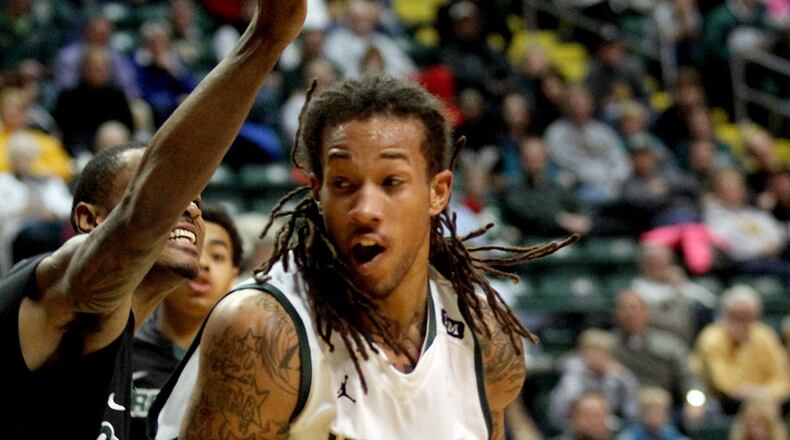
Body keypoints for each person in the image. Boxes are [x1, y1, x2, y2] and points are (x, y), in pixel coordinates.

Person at [151, 74, 576, 439]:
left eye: (391, 182)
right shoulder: (263, 329)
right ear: (317, 193)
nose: (365, 209)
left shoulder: (484, 333)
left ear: (438, 192)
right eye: (343, 183)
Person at [0, 0, 306, 438]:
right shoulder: (55, 296)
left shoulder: (123, 344)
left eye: (197, 198)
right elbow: (139, 223)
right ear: (89, 220)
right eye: (169, 191)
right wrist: (264, 41)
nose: (189, 206)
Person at [131, 204, 243, 438]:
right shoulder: (125, 347)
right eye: (194, 251)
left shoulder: (244, 360)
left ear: (233, 275)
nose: (203, 263)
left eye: (217, 256)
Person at [692, 285, 790, 415]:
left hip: (764, 399)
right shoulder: (712, 337)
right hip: (724, 404)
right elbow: (724, 385)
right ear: (725, 315)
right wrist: (757, 394)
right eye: (736, 316)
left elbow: (782, 380)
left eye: (748, 316)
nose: (743, 323)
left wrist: (760, 393)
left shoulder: (765, 336)